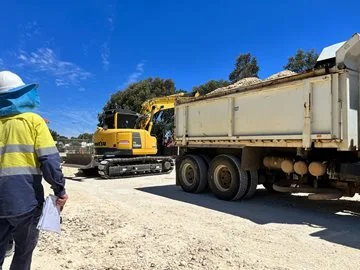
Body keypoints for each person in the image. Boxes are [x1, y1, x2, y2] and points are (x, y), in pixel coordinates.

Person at [0, 70, 68, 270]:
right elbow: (50, 161)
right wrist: (60, 191)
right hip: (26, 204)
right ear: (20, 94)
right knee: (22, 254)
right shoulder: (33, 121)